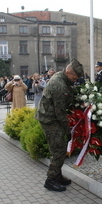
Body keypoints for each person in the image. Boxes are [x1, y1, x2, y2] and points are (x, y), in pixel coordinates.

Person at [35, 58, 84, 192]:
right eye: (74, 78)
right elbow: (60, 112)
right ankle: (50, 180)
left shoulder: (62, 77)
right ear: (68, 72)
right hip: (50, 119)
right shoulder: (59, 85)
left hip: (52, 117)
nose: (75, 81)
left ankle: (57, 176)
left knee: (59, 148)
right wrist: (67, 129)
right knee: (59, 150)